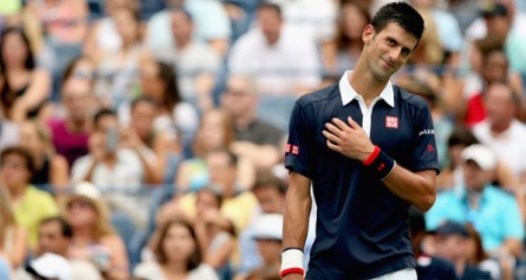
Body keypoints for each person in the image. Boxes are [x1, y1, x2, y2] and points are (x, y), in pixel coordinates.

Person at [282, 3, 439, 279]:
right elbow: (298, 193)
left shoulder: (415, 110)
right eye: (390, 42)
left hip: (393, 268)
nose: (394, 55)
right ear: (368, 33)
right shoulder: (311, 108)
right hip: (327, 267)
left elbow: (426, 196)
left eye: (405, 51)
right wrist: (291, 266)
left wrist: (371, 156)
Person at [134, 218, 219, 280]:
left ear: (194, 243)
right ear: (162, 242)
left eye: (183, 238)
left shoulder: (205, 274)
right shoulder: (145, 272)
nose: (177, 244)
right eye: (170, 237)